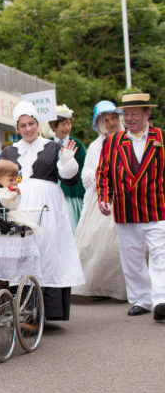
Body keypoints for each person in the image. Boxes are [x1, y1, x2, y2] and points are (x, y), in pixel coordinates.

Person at [0, 101, 85, 321]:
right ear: (16, 128)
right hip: (20, 204)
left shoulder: (53, 147)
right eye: (23, 125)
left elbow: (69, 178)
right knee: (23, 253)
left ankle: (47, 311)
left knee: (47, 250)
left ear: (38, 124)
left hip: (47, 207)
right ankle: (24, 309)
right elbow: (5, 179)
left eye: (32, 123)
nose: (28, 128)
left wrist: (67, 162)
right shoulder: (10, 151)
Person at [96, 93, 165, 321]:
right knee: (132, 257)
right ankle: (142, 299)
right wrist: (104, 197)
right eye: (126, 113)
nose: (130, 118)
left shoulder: (161, 137)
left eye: (135, 113)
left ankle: (161, 301)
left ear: (147, 114)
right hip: (126, 209)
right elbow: (103, 173)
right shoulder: (113, 141)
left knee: (160, 255)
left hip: (157, 206)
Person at [73, 101, 127, 301]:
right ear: (100, 123)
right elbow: (86, 174)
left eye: (114, 118)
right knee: (98, 247)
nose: (112, 123)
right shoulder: (96, 146)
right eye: (107, 120)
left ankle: (129, 288)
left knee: (127, 245)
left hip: (128, 196)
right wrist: (103, 177)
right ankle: (101, 288)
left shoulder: (128, 138)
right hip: (102, 199)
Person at [49, 105, 87, 230]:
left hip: (71, 194)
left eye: (69, 123)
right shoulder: (47, 144)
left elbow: (83, 169)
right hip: (52, 193)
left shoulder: (77, 145)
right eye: (63, 124)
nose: (67, 127)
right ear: (54, 126)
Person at [0, 158, 39, 231]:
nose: (14, 183)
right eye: (11, 180)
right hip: (6, 218)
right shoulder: (4, 193)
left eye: (15, 179)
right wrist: (17, 195)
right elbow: (13, 206)